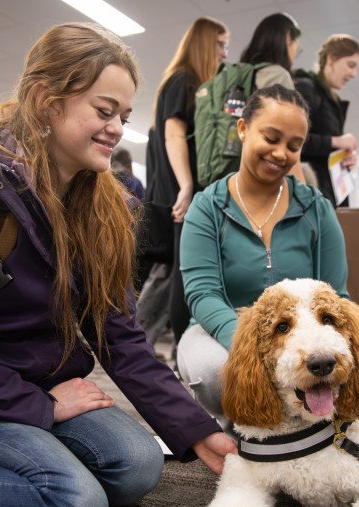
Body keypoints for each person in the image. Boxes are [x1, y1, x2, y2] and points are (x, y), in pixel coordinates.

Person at [0, 22, 236, 507]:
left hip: (39, 391)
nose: (117, 127)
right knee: (73, 506)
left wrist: (196, 428)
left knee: (138, 466)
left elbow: (120, 337)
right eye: (104, 110)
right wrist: (41, 407)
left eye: (124, 115)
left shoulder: (101, 205)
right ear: (48, 102)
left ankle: (23, 453)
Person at [177, 84, 349, 425]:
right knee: (218, 374)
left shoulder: (317, 209)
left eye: (294, 146)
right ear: (242, 129)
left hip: (301, 333)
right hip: (218, 329)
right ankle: (238, 423)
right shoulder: (206, 207)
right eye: (271, 138)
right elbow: (202, 294)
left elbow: (337, 296)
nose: (281, 153)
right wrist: (254, 349)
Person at [137, 16, 229, 352]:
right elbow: (174, 133)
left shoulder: (182, 82)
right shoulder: (185, 80)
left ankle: (155, 349)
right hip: (177, 196)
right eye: (220, 44)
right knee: (181, 276)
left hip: (170, 194)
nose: (224, 53)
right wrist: (187, 187)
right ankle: (177, 351)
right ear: (204, 43)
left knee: (171, 276)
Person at [294, 34, 359, 207]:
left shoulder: (332, 101)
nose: (354, 74)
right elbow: (294, 141)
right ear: (332, 58)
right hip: (311, 195)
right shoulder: (306, 88)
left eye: (357, 68)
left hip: (329, 196)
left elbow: (326, 150)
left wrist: (344, 155)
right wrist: (336, 141)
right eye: (351, 65)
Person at [239, 12, 307, 184]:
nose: (294, 55)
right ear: (286, 41)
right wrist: (303, 193)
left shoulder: (239, 76)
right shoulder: (278, 76)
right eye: (295, 49)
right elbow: (288, 135)